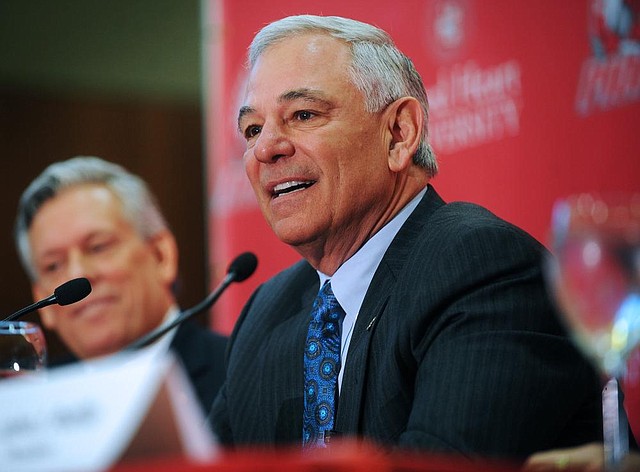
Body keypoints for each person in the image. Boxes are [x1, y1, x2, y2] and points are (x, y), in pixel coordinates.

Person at [207, 14, 605, 462]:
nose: (265, 148)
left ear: (399, 133)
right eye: (253, 129)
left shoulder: (482, 267)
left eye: (303, 114)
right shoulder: (267, 311)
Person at [14, 156, 227, 413]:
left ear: (161, 256)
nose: (77, 273)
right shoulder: (25, 403)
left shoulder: (238, 371)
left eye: (98, 247)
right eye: (53, 266)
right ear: (43, 304)